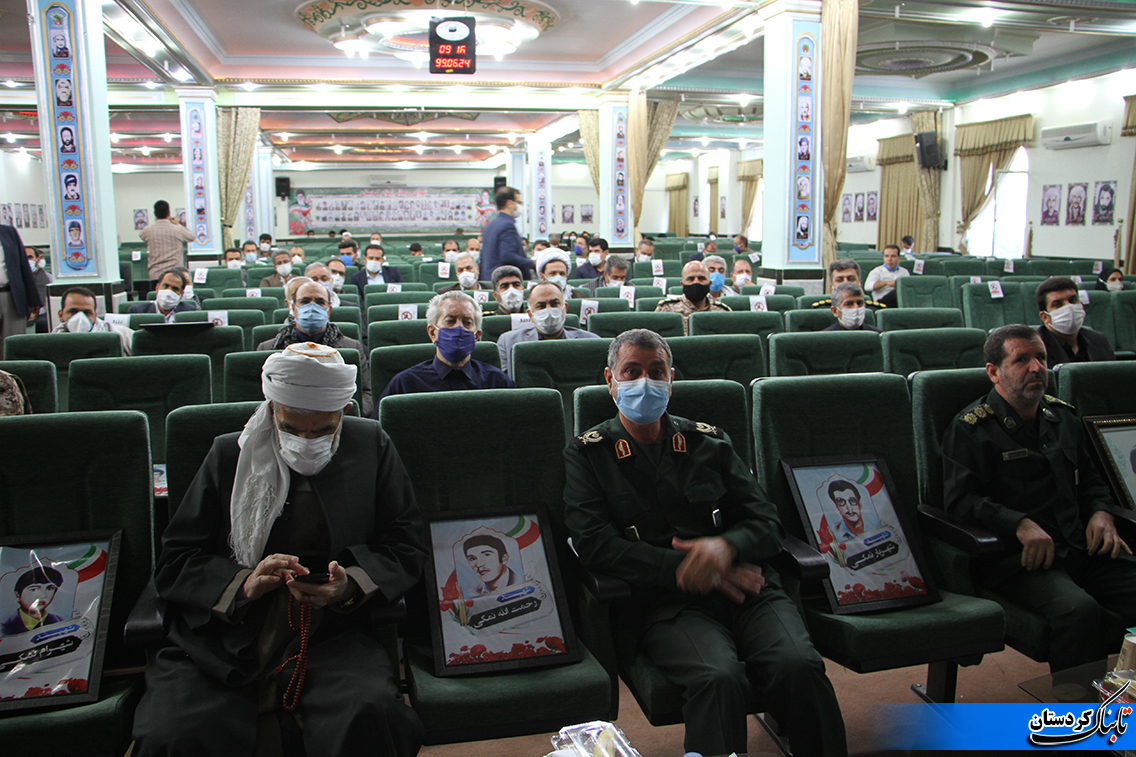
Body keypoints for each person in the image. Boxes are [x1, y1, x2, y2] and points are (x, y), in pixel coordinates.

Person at [132, 343, 428, 756]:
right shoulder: (228, 454)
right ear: (272, 410)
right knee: (176, 733)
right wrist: (243, 584)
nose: (306, 441)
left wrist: (349, 585)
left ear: (343, 413)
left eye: (322, 430)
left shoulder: (370, 445)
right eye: (291, 428)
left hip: (331, 631)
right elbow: (177, 559)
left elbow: (405, 543)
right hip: (224, 634)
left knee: (368, 713)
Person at [564, 329, 846, 757]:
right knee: (718, 678)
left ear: (672, 378)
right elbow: (594, 544)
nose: (645, 381)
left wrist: (725, 548)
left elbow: (766, 522)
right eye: (632, 371)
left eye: (656, 371)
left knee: (800, 665)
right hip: (665, 603)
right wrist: (689, 570)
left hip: (748, 587)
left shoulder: (708, 442)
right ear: (610, 379)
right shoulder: (588, 453)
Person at [942, 324, 1136, 673]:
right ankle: (1078, 705)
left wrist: (1101, 514)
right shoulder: (971, 428)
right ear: (994, 372)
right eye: (1022, 360)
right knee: (1079, 611)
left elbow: (1092, 480)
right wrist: (1018, 523)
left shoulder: (1063, 417)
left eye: (1041, 358)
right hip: (1020, 560)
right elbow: (961, 501)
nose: (1036, 368)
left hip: (1079, 545)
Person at [376, 292, 514, 406]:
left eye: (467, 322)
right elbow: (381, 428)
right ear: (432, 333)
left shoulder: (497, 382)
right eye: (450, 321)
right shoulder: (405, 385)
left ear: (476, 336)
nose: (459, 328)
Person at [257, 280, 370, 416]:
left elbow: (366, 394)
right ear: (292, 307)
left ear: (329, 309)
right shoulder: (269, 348)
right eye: (305, 302)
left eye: (320, 302)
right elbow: (260, 397)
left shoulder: (351, 347)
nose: (312, 307)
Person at [496, 281, 600, 377]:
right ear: (530, 314)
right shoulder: (508, 342)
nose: (549, 309)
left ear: (565, 309)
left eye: (555, 304)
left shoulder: (591, 342)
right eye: (541, 306)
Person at [1035, 276, 1114, 365]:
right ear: (1045, 317)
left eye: (1073, 300)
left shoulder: (1098, 340)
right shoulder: (1035, 347)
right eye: (1058, 304)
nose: (1069, 307)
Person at [655, 260, 729, 336]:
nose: (696, 282)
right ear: (682, 284)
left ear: (709, 284)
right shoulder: (666, 309)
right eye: (691, 279)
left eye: (701, 278)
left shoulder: (722, 312)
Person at [53, 286, 133, 354]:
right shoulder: (51, 342)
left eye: (87, 313)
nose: (80, 318)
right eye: (73, 312)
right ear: (61, 315)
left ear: (95, 315)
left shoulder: (122, 335)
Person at [139, 200, 195, 289]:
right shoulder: (177, 229)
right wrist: (177, 224)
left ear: (155, 214)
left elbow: (141, 235)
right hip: (175, 274)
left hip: (155, 274)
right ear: (169, 213)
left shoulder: (147, 231)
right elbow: (191, 237)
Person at [480, 187, 532, 280]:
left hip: (489, 279)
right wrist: (533, 263)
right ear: (509, 203)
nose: (520, 206)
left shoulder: (489, 225)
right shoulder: (507, 225)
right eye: (518, 202)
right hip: (504, 280)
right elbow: (508, 256)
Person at [1, 567, 65, 636]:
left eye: (50, 588)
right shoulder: (3, 625)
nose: (43, 595)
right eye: (34, 589)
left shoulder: (61, 621)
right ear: (17, 595)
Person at [810, 258, 885, 310]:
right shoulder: (820, 310)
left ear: (860, 284)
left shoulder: (875, 311)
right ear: (831, 287)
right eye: (839, 280)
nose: (846, 283)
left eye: (851, 279)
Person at [129, 268, 198, 322]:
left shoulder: (190, 312)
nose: (169, 292)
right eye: (165, 286)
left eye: (175, 288)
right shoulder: (137, 311)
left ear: (181, 295)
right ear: (157, 288)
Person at [24, 246, 51, 333]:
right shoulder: (14, 280)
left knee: (43, 323)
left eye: (30, 257)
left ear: (37, 259)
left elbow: (47, 303)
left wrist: (36, 313)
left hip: (41, 313)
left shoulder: (48, 278)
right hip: (20, 313)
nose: (27, 261)